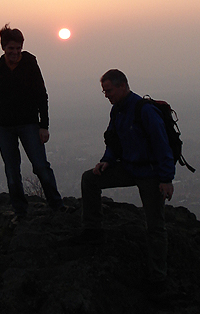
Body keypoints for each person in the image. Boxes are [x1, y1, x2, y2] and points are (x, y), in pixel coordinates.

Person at [75, 69, 175, 281]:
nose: (106, 95)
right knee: (90, 179)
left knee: (155, 226)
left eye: (108, 90)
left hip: (150, 173)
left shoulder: (145, 111)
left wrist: (166, 179)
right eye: (104, 91)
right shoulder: (117, 110)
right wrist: (107, 160)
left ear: (122, 86)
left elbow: (162, 145)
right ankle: (92, 230)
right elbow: (114, 140)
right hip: (128, 167)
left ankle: (159, 277)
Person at [0, 24, 67, 223]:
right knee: (12, 170)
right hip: (4, 126)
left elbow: (41, 95)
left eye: (18, 48)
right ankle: (20, 212)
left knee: (40, 166)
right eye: (11, 48)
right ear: (3, 47)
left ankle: (57, 205)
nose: (15, 52)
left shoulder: (30, 64)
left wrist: (44, 125)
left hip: (30, 123)